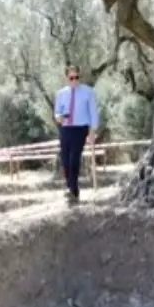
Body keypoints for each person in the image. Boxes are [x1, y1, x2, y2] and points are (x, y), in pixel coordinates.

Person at [53, 64, 99, 205]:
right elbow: (57, 112)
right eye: (71, 78)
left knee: (74, 159)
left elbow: (93, 113)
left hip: (80, 129)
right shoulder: (61, 94)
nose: (74, 80)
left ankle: (72, 189)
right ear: (67, 78)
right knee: (65, 160)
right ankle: (72, 189)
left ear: (80, 76)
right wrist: (58, 117)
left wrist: (92, 131)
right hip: (65, 128)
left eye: (76, 77)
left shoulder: (88, 92)